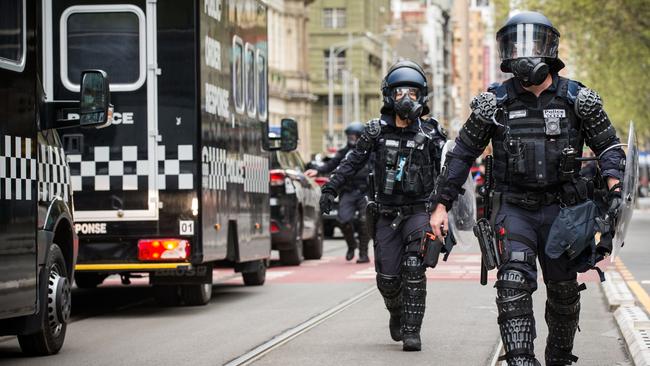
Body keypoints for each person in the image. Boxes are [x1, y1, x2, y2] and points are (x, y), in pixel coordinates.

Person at [430, 11, 625, 366]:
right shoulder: (494, 103)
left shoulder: (578, 99)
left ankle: (559, 355)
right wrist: (441, 206)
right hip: (514, 209)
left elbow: (609, 146)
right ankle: (521, 359)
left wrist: (614, 190)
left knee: (564, 293)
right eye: (515, 44)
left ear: (548, 48)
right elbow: (461, 155)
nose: (523, 52)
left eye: (531, 43)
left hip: (564, 211)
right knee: (512, 284)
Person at [320, 60, 447, 351]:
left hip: (418, 212)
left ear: (422, 96)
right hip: (385, 214)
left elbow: (450, 170)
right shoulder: (375, 132)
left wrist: (446, 207)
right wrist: (331, 188)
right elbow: (351, 162)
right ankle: (397, 312)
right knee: (388, 279)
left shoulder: (431, 134)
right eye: (400, 92)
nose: (406, 99)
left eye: (412, 93)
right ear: (389, 95)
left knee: (415, 266)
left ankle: (413, 331)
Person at [305, 122, 371, 263]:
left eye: (354, 136)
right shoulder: (345, 152)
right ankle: (352, 245)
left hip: (365, 191)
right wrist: (318, 171)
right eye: (349, 136)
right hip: (348, 190)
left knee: (365, 221)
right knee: (343, 219)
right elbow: (332, 164)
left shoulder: (371, 151)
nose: (351, 139)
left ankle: (363, 253)